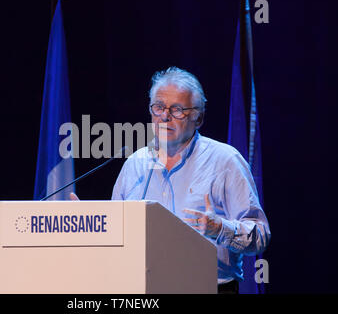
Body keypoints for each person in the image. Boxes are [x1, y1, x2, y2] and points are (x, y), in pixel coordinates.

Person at [71, 66, 270, 294]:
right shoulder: (135, 165)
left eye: (177, 110)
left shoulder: (225, 161)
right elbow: (119, 235)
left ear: (199, 117)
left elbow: (260, 235)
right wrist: (91, 225)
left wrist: (220, 229)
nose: (165, 116)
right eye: (158, 107)